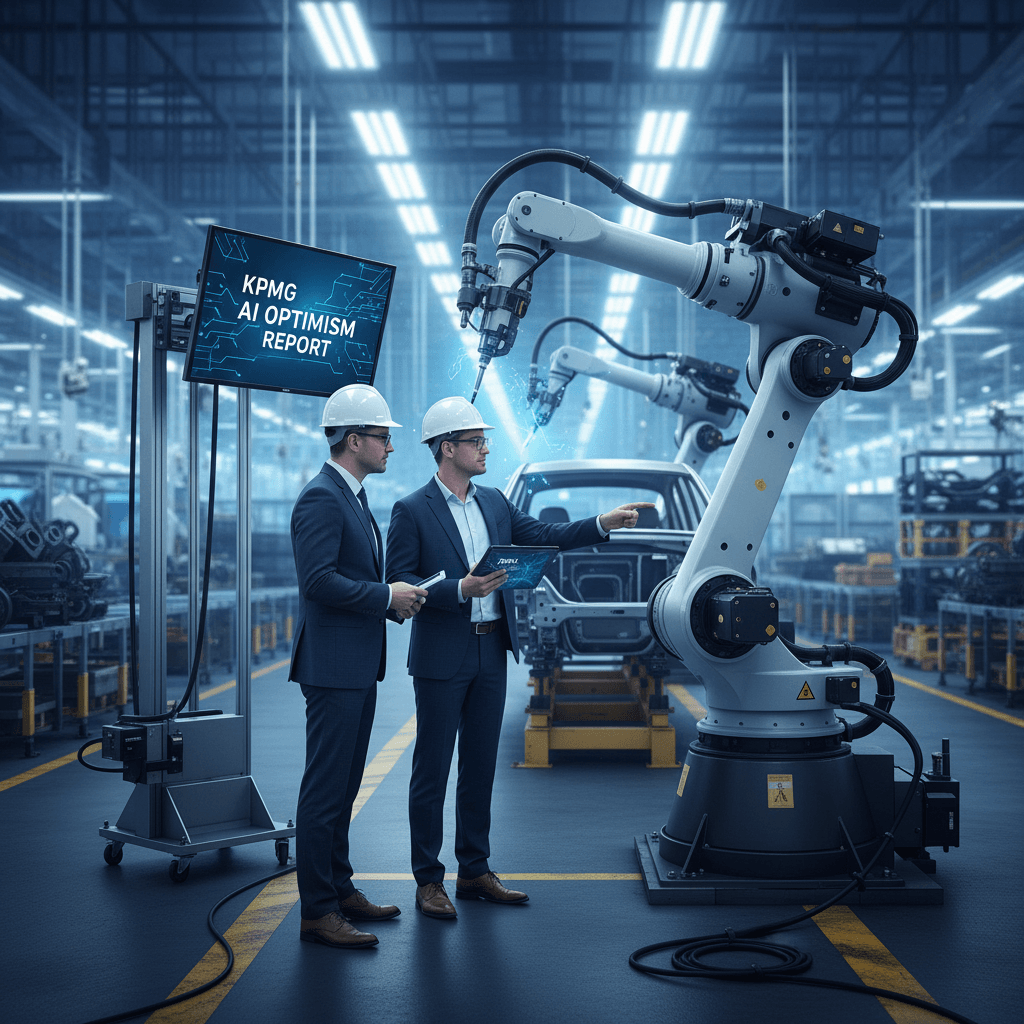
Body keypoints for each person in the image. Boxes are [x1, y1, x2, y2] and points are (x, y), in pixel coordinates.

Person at [385, 396, 654, 919]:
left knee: (480, 766)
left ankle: (475, 870)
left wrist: (601, 523)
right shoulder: (412, 510)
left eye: (485, 440)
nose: (486, 448)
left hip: (490, 647)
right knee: (433, 768)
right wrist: (458, 589)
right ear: (447, 449)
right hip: (442, 653)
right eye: (476, 441)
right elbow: (401, 582)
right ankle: (427, 880)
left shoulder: (495, 504)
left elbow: (548, 536)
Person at [289, 383, 428, 949]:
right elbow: (317, 581)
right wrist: (382, 596)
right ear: (353, 439)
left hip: (355, 664)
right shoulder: (322, 498)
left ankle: (339, 888)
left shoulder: (354, 496)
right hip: (333, 668)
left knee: (345, 786)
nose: (390, 447)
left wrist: (395, 599)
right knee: (325, 789)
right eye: (382, 437)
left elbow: (350, 577)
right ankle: (317, 909)